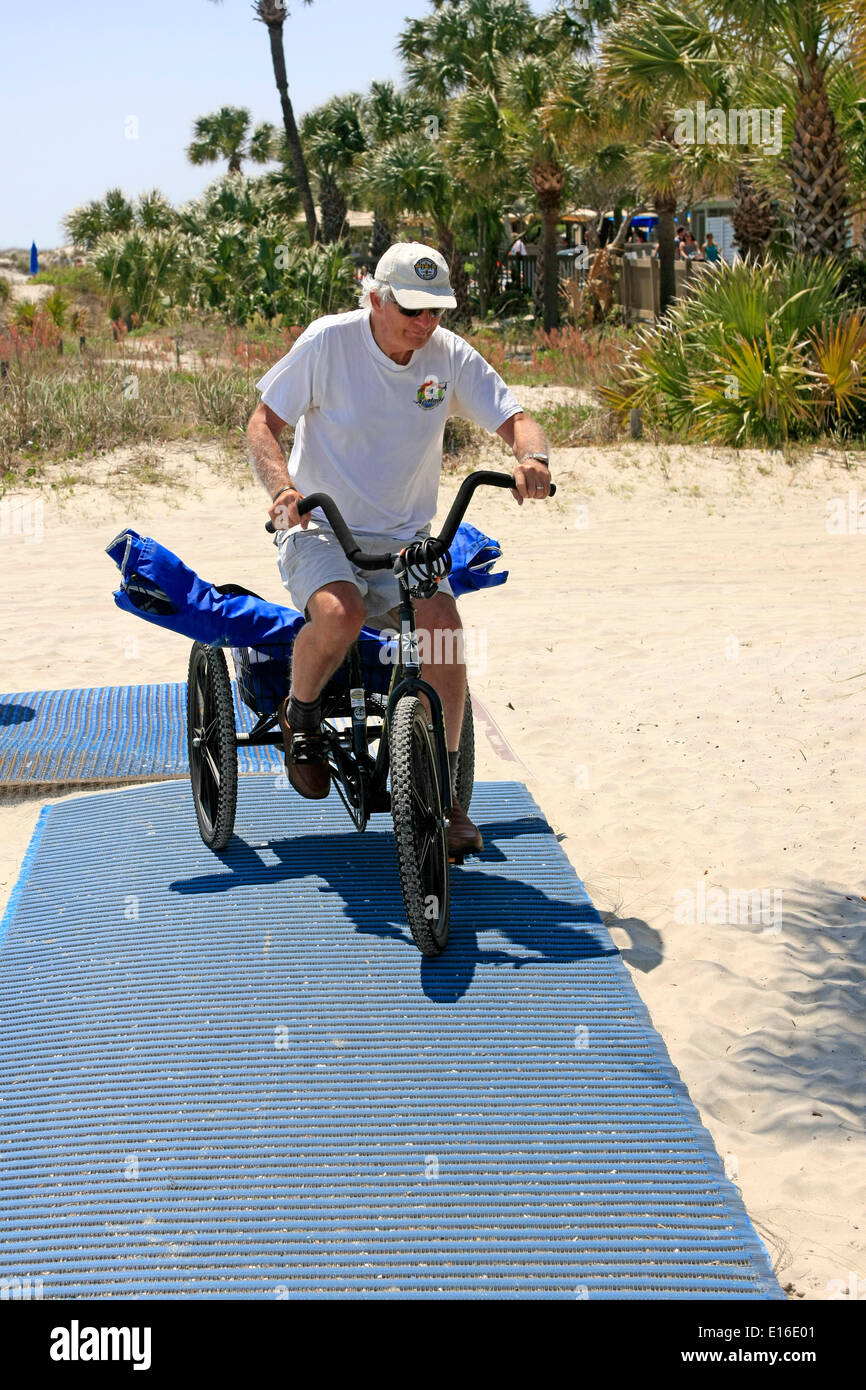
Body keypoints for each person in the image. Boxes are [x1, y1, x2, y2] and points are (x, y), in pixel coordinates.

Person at [245, 241, 552, 858]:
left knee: (443, 626)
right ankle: (299, 717)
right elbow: (261, 425)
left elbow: (516, 418)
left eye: (436, 309)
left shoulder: (447, 355)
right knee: (340, 613)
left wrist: (532, 457)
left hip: (407, 540)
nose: (425, 322)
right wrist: (284, 489)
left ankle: (448, 800)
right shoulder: (328, 343)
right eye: (412, 308)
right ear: (375, 298)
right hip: (320, 528)